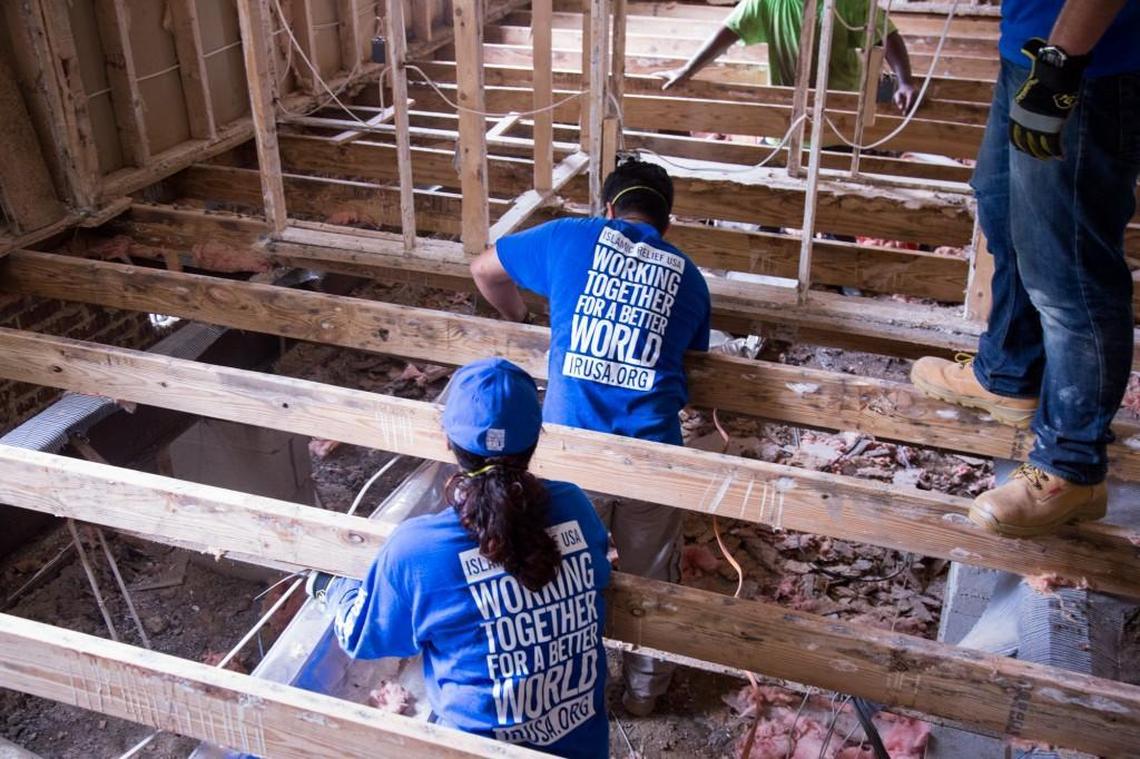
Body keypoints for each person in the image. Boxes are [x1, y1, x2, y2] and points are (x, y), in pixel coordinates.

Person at [470, 159, 712, 716]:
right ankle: (644, 696)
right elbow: (692, 363)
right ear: (666, 223)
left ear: (605, 208)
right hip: (652, 458)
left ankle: (559, 686)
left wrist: (524, 315)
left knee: (552, 569)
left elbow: (485, 271)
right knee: (652, 580)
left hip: (571, 454)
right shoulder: (689, 276)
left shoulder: (567, 236)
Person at [910, 0, 1139, 537]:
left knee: (1070, 272)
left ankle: (1072, 467)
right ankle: (1010, 375)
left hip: (1087, 65)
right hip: (1032, 50)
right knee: (1004, 210)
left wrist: (1061, 63)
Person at [310, 358, 611, 757]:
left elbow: (363, 637)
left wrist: (331, 587)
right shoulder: (573, 505)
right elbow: (600, 577)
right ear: (535, 440)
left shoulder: (418, 550)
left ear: (448, 442)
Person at [657, 0, 918, 114]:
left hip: (839, 116)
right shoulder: (768, 1)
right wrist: (688, 70)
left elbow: (885, 35)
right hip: (785, 116)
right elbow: (729, 31)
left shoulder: (847, 3)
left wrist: (905, 81)